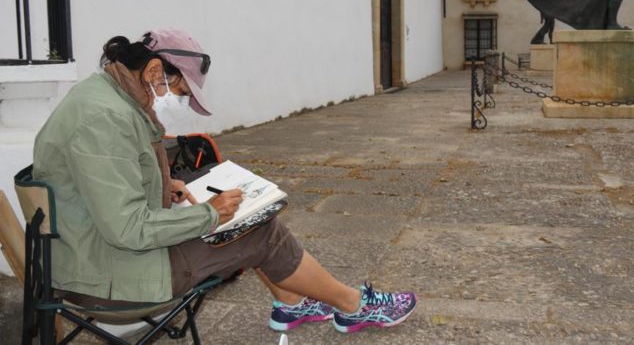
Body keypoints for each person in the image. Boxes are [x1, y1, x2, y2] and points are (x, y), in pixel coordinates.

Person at [32, 28, 416, 334]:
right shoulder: (106, 117)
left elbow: (99, 183)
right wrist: (210, 215)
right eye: (179, 91)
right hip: (108, 279)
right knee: (257, 231)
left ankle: (292, 303)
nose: (176, 101)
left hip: (97, 257)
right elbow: (126, 228)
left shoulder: (103, 97)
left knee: (251, 219)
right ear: (153, 72)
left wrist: (161, 189)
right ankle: (352, 307)